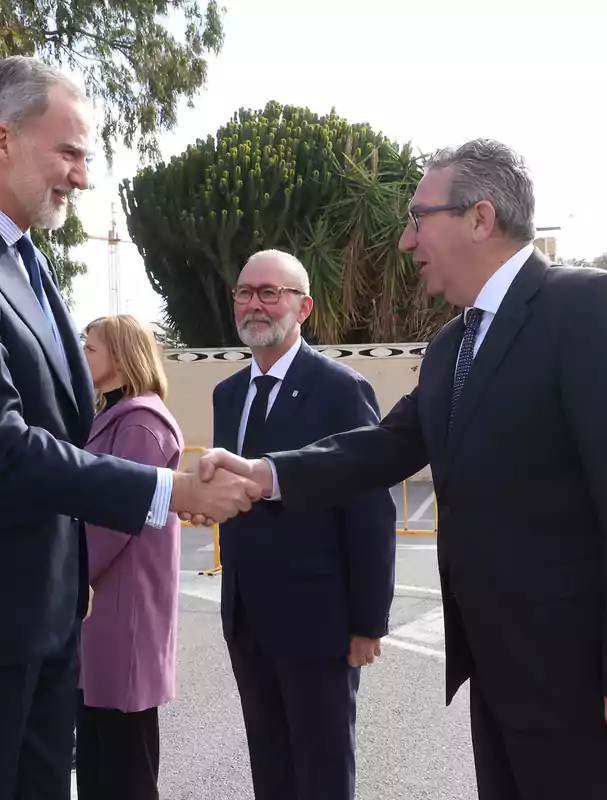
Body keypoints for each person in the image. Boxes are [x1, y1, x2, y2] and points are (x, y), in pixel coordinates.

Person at [193, 139, 607, 800]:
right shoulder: (454, 343)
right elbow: (386, 446)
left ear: (480, 217)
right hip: (496, 665)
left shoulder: (588, 307)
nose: (408, 240)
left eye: (419, 218)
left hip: (579, 675)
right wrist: (265, 473)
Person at [0, 56, 259, 800]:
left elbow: (71, 429)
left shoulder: (26, 261)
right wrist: (169, 489)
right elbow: (1, 446)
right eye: (70, 152)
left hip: (45, 620)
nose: (82, 177)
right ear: (1, 139)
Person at [212, 250, 396, 800]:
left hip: (320, 624)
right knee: (269, 766)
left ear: (304, 306)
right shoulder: (228, 395)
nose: (255, 304)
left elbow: (371, 507)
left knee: (321, 771)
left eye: (271, 292)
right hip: (247, 619)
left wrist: (368, 621)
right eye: (245, 292)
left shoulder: (340, 389)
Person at [75, 315, 183, 800]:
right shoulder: (114, 416)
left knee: (126, 767)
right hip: (107, 608)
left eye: (91, 347)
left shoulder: (140, 423)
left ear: (119, 358)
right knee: (101, 756)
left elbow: (113, 516)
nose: (83, 355)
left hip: (124, 609)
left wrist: (69, 572)